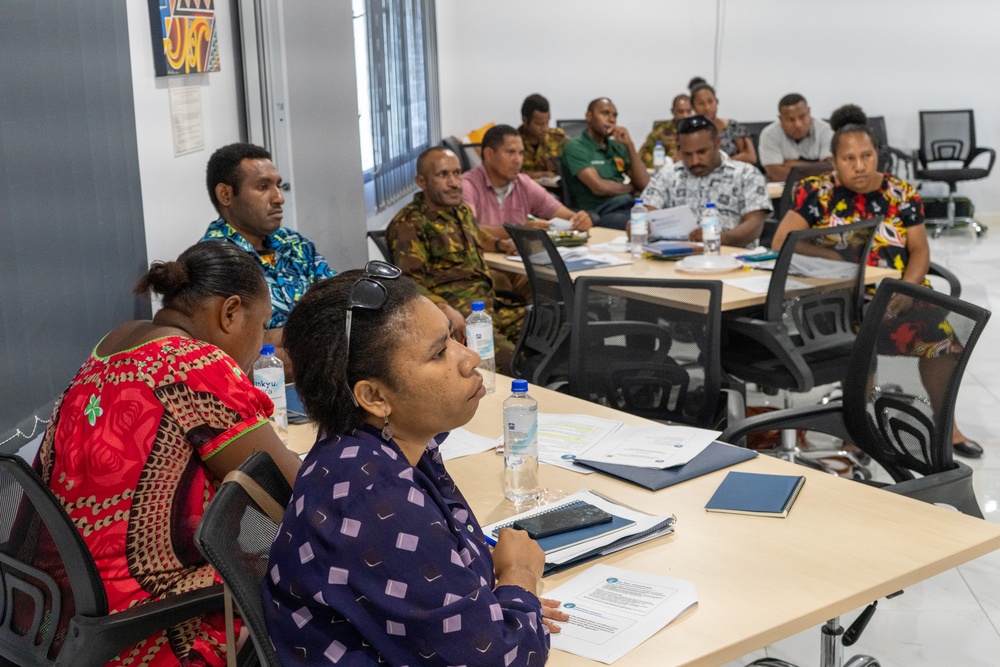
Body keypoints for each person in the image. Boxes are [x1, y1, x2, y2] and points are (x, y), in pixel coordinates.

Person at [263, 267, 565, 665]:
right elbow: (499, 660)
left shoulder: (376, 446)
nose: (470, 357)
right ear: (374, 396)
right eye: (439, 352)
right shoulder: (373, 498)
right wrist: (519, 577)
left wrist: (505, 603)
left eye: (453, 340)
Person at [35, 241, 302, 667]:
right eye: (263, 324)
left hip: (59, 617)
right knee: (313, 572)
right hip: (148, 624)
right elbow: (291, 490)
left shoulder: (112, 344)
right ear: (230, 312)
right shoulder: (194, 363)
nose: (259, 350)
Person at [772, 105, 981, 458]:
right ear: (833, 161)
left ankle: (947, 427)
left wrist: (906, 289)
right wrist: (836, 257)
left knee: (945, 338)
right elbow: (782, 242)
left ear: (876, 156)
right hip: (835, 296)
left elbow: (919, 252)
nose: (859, 165)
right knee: (860, 343)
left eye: (866, 156)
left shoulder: (899, 193)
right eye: (849, 158)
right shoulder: (817, 191)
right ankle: (859, 431)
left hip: (899, 291)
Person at [386, 146, 526, 371]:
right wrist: (443, 308)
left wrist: (501, 244)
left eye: (457, 173)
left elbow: (478, 237)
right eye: (443, 175)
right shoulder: (410, 224)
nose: (454, 182)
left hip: (490, 306)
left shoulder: (460, 211)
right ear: (421, 181)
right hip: (461, 317)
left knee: (557, 327)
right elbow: (409, 283)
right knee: (510, 362)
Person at [200, 142, 335, 373]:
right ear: (225, 194)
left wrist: (276, 338)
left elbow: (338, 311)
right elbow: (234, 354)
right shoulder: (213, 263)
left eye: (278, 186)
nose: (279, 198)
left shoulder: (295, 244)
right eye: (263, 187)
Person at [641, 115, 772, 248]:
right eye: (687, 154)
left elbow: (754, 226)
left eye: (702, 152)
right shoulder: (668, 175)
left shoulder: (746, 174)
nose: (695, 161)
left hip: (731, 257)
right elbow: (647, 211)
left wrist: (716, 238)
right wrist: (640, 226)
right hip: (675, 258)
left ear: (717, 143)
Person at [463, 124, 591, 237]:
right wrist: (520, 232)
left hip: (515, 261)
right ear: (489, 154)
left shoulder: (523, 183)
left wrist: (580, 220)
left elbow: (566, 215)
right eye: (510, 152)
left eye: (521, 153)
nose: (518, 160)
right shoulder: (467, 185)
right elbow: (468, 229)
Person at [562, 97, 650, 229]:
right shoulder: (576, 146)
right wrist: (631, 188)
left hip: (629, 205)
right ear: (589, 116)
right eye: (605, 113)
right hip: (601, 211)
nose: (611, 119)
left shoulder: (617, 147)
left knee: (664, 218)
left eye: (614, 115)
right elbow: (600, 187)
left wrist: (630, 145)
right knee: (645, 225)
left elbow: (645, 185)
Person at [758, 93, 834, 183]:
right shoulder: (769, 134)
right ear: (780, 118)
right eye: (790, 120)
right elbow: (776, 174)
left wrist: (791, 165)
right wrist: (817, 166)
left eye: (802, 117)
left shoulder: (825, 130)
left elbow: (831, 168)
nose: (798, 125)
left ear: (809, 112)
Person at [688, 77, 757, 165]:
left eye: (710, 102)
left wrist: (722, 163)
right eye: (701, 103)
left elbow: (750, 156)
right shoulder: (689, 133)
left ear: (716, 102)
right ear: (693, 107)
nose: (707, 108)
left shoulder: (732, 126)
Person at [518, 93, 569, 178]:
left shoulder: (559, 137)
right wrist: (539, 175)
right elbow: (503, 175)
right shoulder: (512, 142)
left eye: (547, 122)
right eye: (539, 124)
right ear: (525, 120)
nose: (545, 128)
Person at [639, 93, 693, 168]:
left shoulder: (696, 131)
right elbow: (643, 153)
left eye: (688, 112)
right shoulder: (661, 131)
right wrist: (660, 165)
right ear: (673, 111)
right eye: (681, 112)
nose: (685, 115)